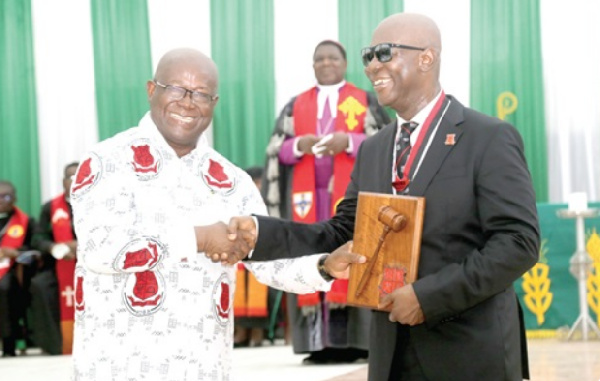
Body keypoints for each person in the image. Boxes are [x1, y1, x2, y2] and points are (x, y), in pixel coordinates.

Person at [223, 13, 540, 381]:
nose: (373, 66)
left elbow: (518, 242)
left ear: (426, 57)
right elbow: (342, 229)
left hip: (469, 350)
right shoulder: (374, 148)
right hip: (390, 353)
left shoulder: (487, 137)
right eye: (368, 56)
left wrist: (428, 297)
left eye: (385, 53)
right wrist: (260, 235)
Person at [69, 48, 364, 380]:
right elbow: (99, 248)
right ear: (152, 90)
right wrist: (201, 237)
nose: (188, 102)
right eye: (177, 89)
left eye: (202, 94)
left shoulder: (231, 181)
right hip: (119, 366)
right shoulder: (106, 161)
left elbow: (268, 261)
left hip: (204, 365)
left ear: (214, 103)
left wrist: (323, 266)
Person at [263, 39, 390, 364]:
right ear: (313, 64)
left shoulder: (364, 100)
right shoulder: (295, 105)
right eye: (319, 58)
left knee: (354, 255)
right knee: (312, 255)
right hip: (308, 202)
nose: (325, 63)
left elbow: (386, 140)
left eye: (332, 57)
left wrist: (348, 141)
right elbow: (275, 149)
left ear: (344, 63)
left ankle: (358, 343)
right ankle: (318, 346)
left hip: (350, 199)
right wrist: (299, 146)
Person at [29, 162, 79, 355]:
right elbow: (38, 237)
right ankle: (54, 343)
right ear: (63, 182)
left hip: (93, 264)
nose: (75, 182)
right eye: (70, 178)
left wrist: (81, 246)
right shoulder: (50, 207)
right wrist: (54, 247)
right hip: (59, 263)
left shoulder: (98, 203)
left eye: (79, 176)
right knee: (40, 285)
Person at [233, 166, 269, 347]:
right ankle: (241, 331)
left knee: (259, 280)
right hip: (241, 253)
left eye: (260, 182)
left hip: (265, 254)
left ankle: (258, 331)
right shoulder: (237, 200)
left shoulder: (271, 200)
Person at [0, 180, 36, 357]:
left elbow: (34, 252)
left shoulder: (26, 222)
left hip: (13, 270)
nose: (1, 200)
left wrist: (15, 252)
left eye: (6, 196)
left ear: (14, 198)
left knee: (5, 286)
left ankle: (8, 346)